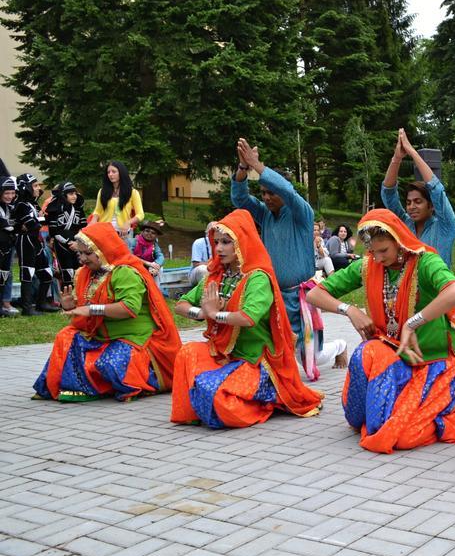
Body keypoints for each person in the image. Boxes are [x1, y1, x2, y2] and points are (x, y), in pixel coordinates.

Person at [305, 209, 455, 453]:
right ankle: (386, 409)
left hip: (429, 362)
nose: (377, 258)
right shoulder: (369, 266)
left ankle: (454, 381)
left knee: (402, 436)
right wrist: (349, 310)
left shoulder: (425, 261)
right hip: (393, 356)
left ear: (399, 241)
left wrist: (412, 322)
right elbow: (314, 293)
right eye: (372, 251)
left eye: (383, 250)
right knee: (365, 358)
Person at [170, 210, 324, 428]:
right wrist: (202, 313)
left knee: (218, 398)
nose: (219, 248)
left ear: (241, 242)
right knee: (188, 353)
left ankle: (267, 398)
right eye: (216, 242)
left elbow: (248, 317)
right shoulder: (216, 276)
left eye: (226, 242)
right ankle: (197, 408)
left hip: (253, 359)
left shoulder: (257, 278)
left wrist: (215, 314)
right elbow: (180, 305)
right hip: (222, 353)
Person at [32, 224, 180, 402]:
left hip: (133, 337)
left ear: (103, 250)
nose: (82, 259)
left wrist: (92, 309)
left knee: (110, 364)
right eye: (80, 253)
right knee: (65, 336)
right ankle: (78, 387)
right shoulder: (84, 273)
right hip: (99, 335)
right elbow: (82, 309)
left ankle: (147, 380)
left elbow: (128, 308)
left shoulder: (125, 272)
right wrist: (69, 306)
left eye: (88, 253)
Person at [230, 137, 315, 343]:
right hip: (274, 294)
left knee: (312, 354)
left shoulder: (301, 212)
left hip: (300, 297)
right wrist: (243, 167)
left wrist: (257, 166)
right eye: (264, 193)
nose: (266, 198)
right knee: (280, 346)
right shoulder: (265, 214)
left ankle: (338, 348)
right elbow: (240, 199)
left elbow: (287, 190)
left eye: (272, 193)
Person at [381, 128, 455, 267]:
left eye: (418, 202)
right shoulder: (405, 224)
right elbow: (388, 193)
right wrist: (397, 158)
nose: (411, 207)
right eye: (409, 202)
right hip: (405, 288)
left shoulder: (445, 227)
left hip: (438, 288)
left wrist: (412, 152)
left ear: (431, 205)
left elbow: (437, 191)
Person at [13, 173, 59, 315]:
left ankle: (41, 303)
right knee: (27, 274)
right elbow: (33, 223)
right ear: (25, 187)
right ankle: (27, 308)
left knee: (46, 273)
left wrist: (36, 222)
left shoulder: (31, 204)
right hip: (26, 242)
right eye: (35, 185)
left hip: (36, 241)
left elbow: (40, 221)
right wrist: (36, 222)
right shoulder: (21, 204)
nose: (38, 188)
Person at [45, 182, 88, 287]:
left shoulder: (78, 209)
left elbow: (83, 228)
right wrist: (69, 243)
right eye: (71, 194)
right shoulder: (54, 210)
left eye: (75, 193)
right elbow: (54, 232)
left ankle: (79, 299)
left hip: (77, 244)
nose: (74, 196)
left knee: (79, 271)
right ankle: (67, 300)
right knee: (67, 273)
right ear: (63, 195)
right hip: (61, 245)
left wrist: (77, 242)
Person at [91, 161, 144, 238]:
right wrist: (94, 220)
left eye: (114, 171)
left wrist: (128, 223)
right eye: (108, 172)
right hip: (104, 232)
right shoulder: (102, 191)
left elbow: (141, 214)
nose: (110, 174)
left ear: (121, 173)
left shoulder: (133, 192)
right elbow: (97, 211)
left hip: (124, 234)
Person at [0, 174, 19, 317]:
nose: (10, 196)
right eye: (6, 193)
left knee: (5, 275)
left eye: (12, 193)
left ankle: (4, 303)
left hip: (8, 246)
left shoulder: (10, 207)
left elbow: (14, 225)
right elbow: (8, 225)